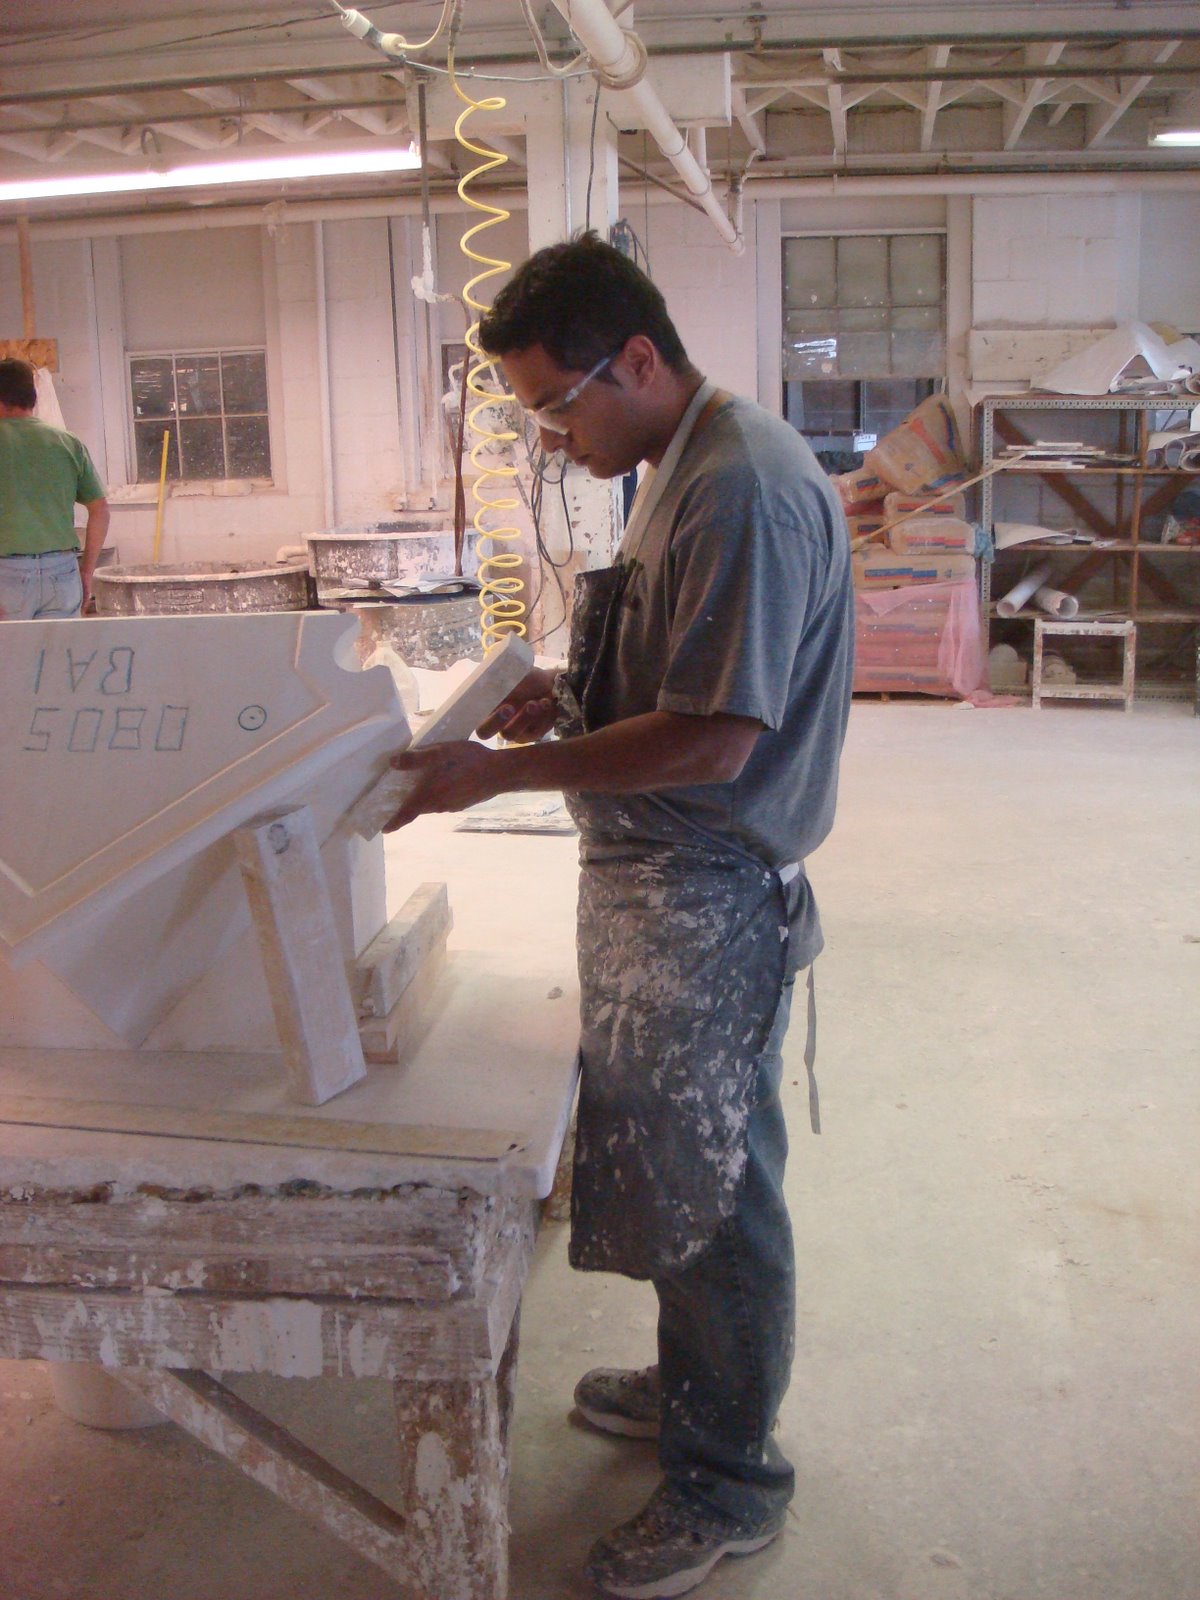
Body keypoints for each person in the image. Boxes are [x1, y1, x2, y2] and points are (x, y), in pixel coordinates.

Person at [384, 232, 854, 1599]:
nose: (549, 435)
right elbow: (672, 669)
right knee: (676, 1171)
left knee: (719, 1190)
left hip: (709, 889)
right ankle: (695, 1383)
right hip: (660, 878)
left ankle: (730, 1477)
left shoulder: (741, 486)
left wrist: (500, 775)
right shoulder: (676, 465)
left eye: (556, 404)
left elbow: (714, 737)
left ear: (637, 360)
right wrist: (573, 697)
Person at [0, 356, 109, 620]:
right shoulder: (67, 442)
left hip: (6, 574)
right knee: (60, 648)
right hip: (61, 572)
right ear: (33, 396)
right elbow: (100, 510)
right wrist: (86, 571)